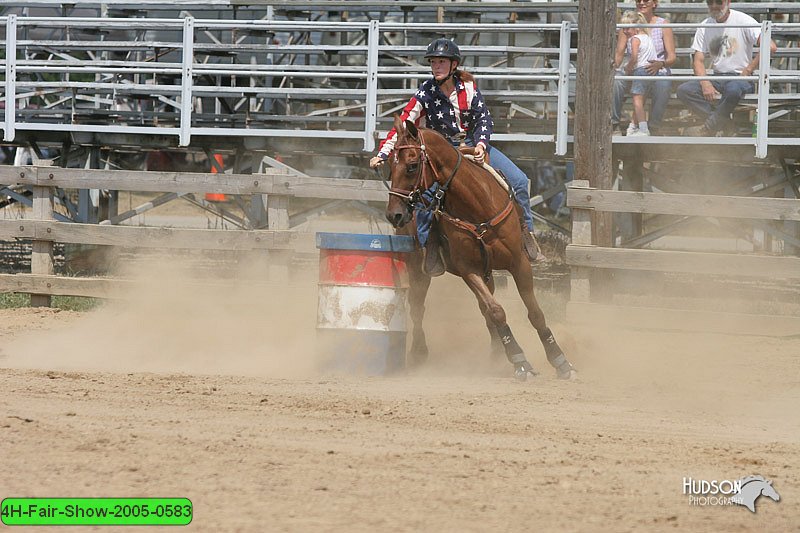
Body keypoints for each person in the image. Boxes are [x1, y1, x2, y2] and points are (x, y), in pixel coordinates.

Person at [369, 38, 540, 273]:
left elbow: (483, 119)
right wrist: (382, 153)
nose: (436, 66)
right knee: (426, 199)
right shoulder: (425, 92)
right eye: (434, 62)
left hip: (472, 145)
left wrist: (480, 145)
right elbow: (404, 122)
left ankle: (526, 233)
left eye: (441, 62)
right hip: (443, 155)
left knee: (519, 181)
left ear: (453, 65)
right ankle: (430, 246)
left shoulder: (468, 88)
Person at [677, 0, 777, 137]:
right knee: (684, 90)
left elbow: (770, 47)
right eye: (710, 3)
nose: (714, 6)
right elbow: (698, 60)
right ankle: (724, 124)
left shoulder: (743, 20)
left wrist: (748, 70)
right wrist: (705, 83)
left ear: (728, 2)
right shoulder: (705, 25)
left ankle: (710, 127)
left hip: (740, 78)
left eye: (719, 2)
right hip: (718, 76)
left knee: (733, 90)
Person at [612, 0, 675, 136]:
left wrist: (660, 64)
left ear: (654, 3)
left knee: (663, 84)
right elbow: (619, 53)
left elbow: (671, 57)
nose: (641, 3)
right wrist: (613, 68)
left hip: (656, 69)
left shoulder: (663, 25)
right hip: (635, 69)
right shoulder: (628, 24)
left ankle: (653, 126)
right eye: (638, 0)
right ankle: (613, 124)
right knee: (616, 81)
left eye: (646, 0)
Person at [616, 11, 657, 137]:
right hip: (649, 72)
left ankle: (644, 129)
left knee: (637, 101)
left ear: (636, 26)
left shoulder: (635, 39)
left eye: (627, 28)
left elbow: (634, 58)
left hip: (640, 70)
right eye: (624, 29)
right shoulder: (647, 36)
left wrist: (628, 68)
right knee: (640, 99)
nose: (625, 31)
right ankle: (633, 127)